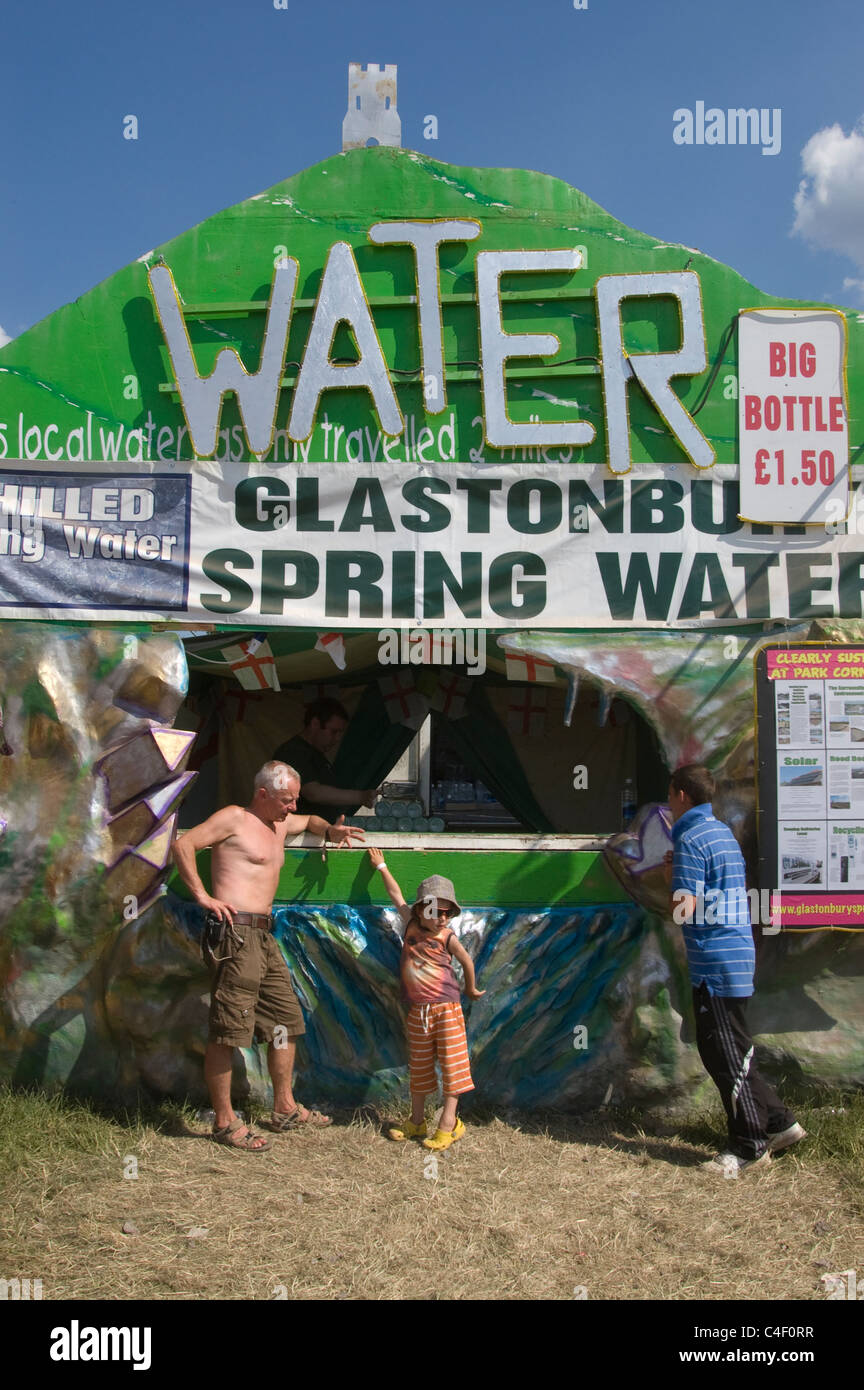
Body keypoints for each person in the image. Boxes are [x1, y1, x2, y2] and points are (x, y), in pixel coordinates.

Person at [173, 760, 364, 1151]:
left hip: (264, 934)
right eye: (285, 800)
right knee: (229, 1028)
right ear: (262, 794)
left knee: (285, 1019)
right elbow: (183, 844)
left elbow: (310, 819)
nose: (291, 807)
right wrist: (203, 897)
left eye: (294, 799)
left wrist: (330, 829)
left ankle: (284, 1107)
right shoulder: (234, 819)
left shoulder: (280, 823)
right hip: (235, 933)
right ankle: (225, 1123)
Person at [664, 763, 805, 1176]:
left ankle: (748, 1145)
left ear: (682, 796)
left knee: (723, 1053)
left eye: (670, 796)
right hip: (737, 955)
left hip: (714, 962)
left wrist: (670, 878)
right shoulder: (721, 832)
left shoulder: (690, 837)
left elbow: (684, 909)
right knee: (737, 1049)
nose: (669, 804)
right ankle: (779, 1123)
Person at [367, 846, 484, 1151]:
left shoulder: (447, 937)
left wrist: (470, 989)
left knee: (452, 1063)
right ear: (421, 910)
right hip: (418, 1010)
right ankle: (416, 1120)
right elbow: (395, 895)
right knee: (419, 1065)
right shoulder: (410, 924)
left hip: (446, 1008)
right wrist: (382, 867)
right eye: (436, 910)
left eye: (448, 911)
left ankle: (449, 1122)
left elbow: (466, 961)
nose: (443, 917)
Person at [273, 697, 379, 822]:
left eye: (340, 733)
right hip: (301, 836)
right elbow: (313, 793)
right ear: (315, 724)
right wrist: (361, 796)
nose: (337, 738)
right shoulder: (293, 752)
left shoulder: (315, 753)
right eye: (334, 732)